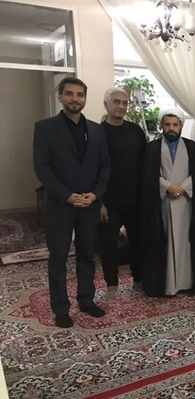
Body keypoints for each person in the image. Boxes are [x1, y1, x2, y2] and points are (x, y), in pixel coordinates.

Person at [33, 77, 111, 328]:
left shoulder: (97, 130)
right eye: (69, 94)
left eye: (80, 95)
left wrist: (95, 194)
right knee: (58, 258)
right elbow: (42, 168)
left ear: (85, 98)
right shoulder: (44, 128)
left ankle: (86, 300)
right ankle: (61, 308)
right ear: (60, 96)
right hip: (60, 205)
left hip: (89, 204)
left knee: (87, 255)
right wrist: (66, 195)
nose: (75, 99)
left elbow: (105, 165)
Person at [140, 109, 195, 296]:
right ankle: (169, 285)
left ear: (181, 126)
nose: (171, 128)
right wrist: (168, 186)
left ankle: (187, 282)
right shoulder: (152, 148)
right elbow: (147, 175)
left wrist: (184, 187)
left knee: (187, 242)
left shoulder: (192, 147)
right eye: (167, 124)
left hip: (187, 202)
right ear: (162, 126)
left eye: (175, 125)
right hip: (162, 203)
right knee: (166, 242)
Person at [98, 88, 147, 299]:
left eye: (125, 103)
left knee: (138, 242)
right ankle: (111, 284)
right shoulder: (98, 132)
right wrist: (99, 202)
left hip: (135, 199)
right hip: (109, 202)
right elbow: (93, 169)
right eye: (116, 102)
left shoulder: (135, 131)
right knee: (108, 244)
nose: (121, 106)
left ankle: (139, 279)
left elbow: (145, 164)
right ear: (106, 104)